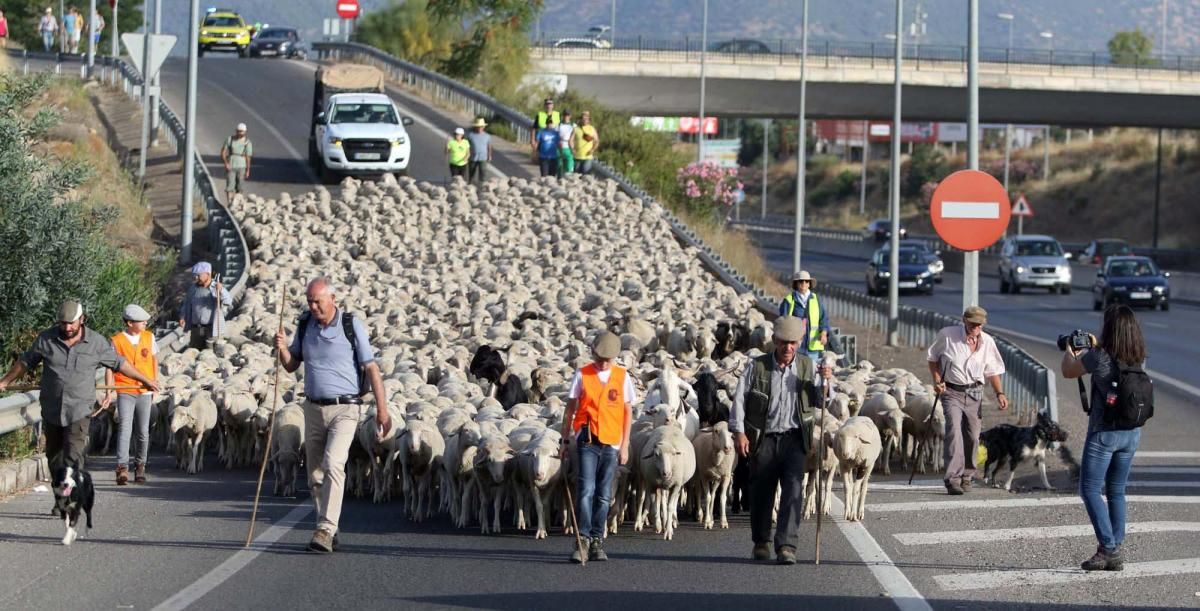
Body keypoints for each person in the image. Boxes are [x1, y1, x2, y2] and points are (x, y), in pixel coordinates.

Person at [274, 277, 392, 553]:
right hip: (313, 407)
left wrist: (382, 412)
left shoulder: (351, 326)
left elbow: (372, 368)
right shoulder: (306, 326)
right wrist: (281, 348)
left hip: (345, 408)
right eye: (310, 302)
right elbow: (291, 366)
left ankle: (325, 528)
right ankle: (327, 526)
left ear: (332, 299)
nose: (313, 306)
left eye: (318, 301)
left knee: (333, 463)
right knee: (314, 475)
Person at [0, 301, 159, 475]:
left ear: (82, 319)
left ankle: (72, 496)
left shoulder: (95, 342)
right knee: (54, 457)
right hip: (52, 409)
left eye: (71, 323)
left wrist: (146, 380)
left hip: (79, 410)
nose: (67, 328)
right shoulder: (46, 339)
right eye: (63, 323)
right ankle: (63, 495)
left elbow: (120, 364)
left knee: (73, 458)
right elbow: (25, 362)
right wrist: (5, 381)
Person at [729, 316, 832, 565]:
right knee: (762, 491)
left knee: (794, 490)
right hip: (764, 438)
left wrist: (827, 380)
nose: (788, 348)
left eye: (793, 343)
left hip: (795, 439)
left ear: (799, 343)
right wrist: (739, 432)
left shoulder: (808, 366)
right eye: (784, 342)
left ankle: (787, 545)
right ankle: (761, 541)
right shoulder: (758, 367)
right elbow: (740, 399)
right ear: (775, 341)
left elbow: (822, 400)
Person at [1061, 304, 1147, 572]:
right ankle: (1115, 546)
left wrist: (1070, 349)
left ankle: (1108, 548)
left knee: (1089, 489)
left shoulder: (1098, 356)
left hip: (1104, 434)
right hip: (1131, 433)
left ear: (1108, 329)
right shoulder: (1139, 357)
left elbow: (1068, 371)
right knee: (1116, 490)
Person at [559, 331, 633, 563]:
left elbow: (627, 410)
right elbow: (570, 409)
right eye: (600, 359)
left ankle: (597, 539)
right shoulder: (582, 375)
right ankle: (582, 539)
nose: (603, 364)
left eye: (607, 360)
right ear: (593, 354)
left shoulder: (622, 376)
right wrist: (564, 440)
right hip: (587, 441)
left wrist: (625, 445)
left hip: (611, 442)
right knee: (586, 490)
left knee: (604, 494)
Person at [926, 305, 1009, 495]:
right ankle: (952, 479)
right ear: (964, 320)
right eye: (972, 323)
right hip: (952, 392)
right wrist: (937, 380)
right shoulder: (947, 335)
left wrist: (1000, 394)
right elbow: (933, 358)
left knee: (972, 436)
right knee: (954, 431)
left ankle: (967, 476)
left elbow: (993, 370)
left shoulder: (987, 342)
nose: (975, 327)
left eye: (979, 325)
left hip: (975, 393)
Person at [102, 304, 158, 485]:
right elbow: (110, 367)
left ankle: (140, 466)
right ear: (129, 323)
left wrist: (154, 382)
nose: (145, 323)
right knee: (125, 428)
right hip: (124, 388)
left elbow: (154, 360)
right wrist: (109, 391)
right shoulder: (117, 341)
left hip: (145, 390)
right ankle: (122, 468)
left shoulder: (149, 338)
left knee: (143, 430)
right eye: (141, 321)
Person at [778, 270, 830, 369]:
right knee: (795, 372)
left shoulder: (816, 299)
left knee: (811, 373)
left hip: (812, 347)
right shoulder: (789, 300)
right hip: (796, 346)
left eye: (807, 282)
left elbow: (823, 318)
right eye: (801, 281)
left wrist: (823, 333)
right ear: (796, 284)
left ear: (809, 284)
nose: (804, 284)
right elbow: (782, 321)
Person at [178, 261, 232, 350]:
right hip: (196, 330)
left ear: (208, 274)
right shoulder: (193, 288)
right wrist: (183, 316)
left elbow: (228, 300)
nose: (196, 278)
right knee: (194, 353)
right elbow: (186, 303)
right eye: (195, 275)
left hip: (212, 330)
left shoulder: (216, 288)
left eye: (198, 275)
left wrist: (221, 290)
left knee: (210, 356)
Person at [221, 123, 253, 204]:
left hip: (242, 166)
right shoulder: (230, 139)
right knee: (230, 185)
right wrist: (226, 163)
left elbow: (248, 157)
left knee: (240, 186)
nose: (239, 133)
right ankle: (229, 202)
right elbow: (223, 152)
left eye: (241, 132)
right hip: (231, 165)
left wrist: (248, 170)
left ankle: (237, 202)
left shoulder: (247, 142)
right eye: (238, 131)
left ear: (245, 132)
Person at [466, 117, 492, 185]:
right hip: (473, 157)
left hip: (483, 157)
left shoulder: (487, 136)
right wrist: (466, 155)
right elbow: (466, 146)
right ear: (476, 127)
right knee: (471, 172)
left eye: (481, 127)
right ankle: (470, 185)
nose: (479, 128)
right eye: (478, 127)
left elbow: (489, 146)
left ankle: (481, 185)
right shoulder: (470, 135)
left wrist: (489, 155)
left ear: (483, 127)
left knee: (483, 172)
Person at [574, 111, 599, 175]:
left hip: (588, 157)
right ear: (581, 119)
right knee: (576, 175)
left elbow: (597, 141)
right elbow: (570, 140)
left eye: (586, 118)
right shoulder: (576, 129)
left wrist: (592, 150)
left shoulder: (592, 129)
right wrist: (572, 149)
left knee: (585, 175)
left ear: (589, 120)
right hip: (578, 156)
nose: (584, 120)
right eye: (583, 118)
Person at [556, 110, 576, 177]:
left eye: (567, 115)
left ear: (570, 116)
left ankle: (568, 181)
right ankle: (559, 180)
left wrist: (573, 148)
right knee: (559, 166)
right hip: (559, 147)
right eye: (564, 115)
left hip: (568, 147)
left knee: (569, 166)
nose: (566, 117)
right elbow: (556, 136)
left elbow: (573, 138)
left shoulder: (573, 125)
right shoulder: (559, 125)